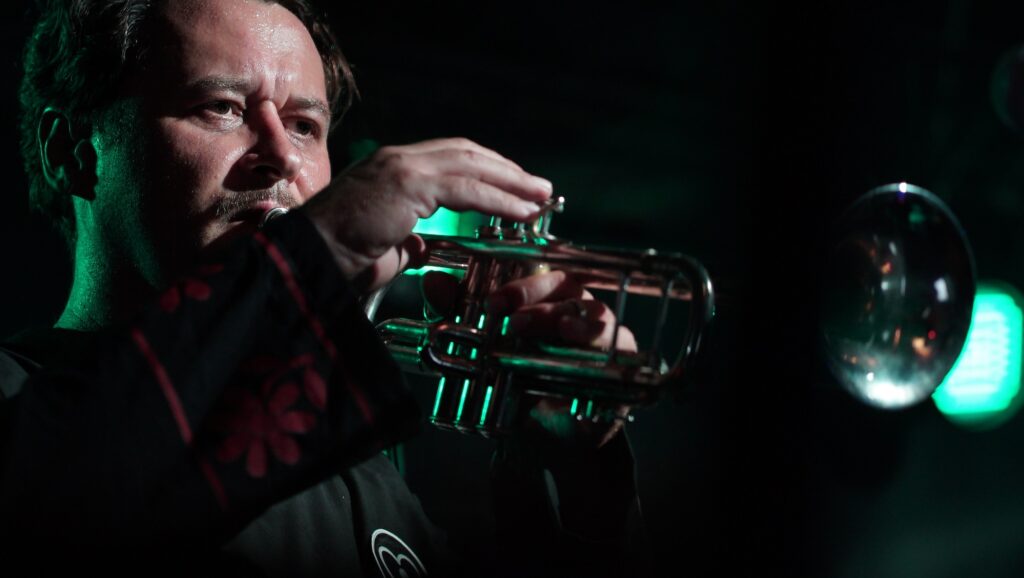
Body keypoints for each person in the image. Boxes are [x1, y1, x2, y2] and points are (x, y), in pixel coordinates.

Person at [0, 0, 647, 574]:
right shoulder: (17, 403)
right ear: (71, 153)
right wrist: (312, 256)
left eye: (305, 126)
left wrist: (580, 477)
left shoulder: (359, 473)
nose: (283, 156)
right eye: (220, 108)